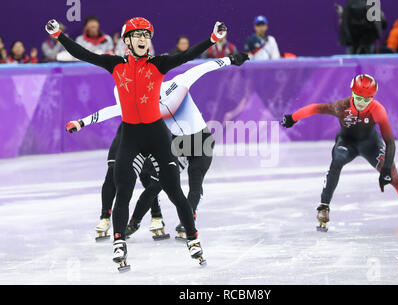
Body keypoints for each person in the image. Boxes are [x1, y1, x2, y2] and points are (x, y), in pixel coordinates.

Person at [46, 17, 227, 270]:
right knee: (124, 189)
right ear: (127, 41)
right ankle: (119, 242)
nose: (143, 40)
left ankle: (193, 239)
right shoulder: (115, 64)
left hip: (157, 136)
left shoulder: (159, 64)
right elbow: (82, 53)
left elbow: (186, 56)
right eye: (138, 36)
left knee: (174, 190)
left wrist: (212, 40)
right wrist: (59, 36)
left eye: (146, 36)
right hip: (130, 136)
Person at [65, 53, 249, 241]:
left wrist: (231, 60)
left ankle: (187, 222)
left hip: (201, 141)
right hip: (179, 144)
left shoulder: (178, 83)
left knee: (195, 183)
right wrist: (81, 122)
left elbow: (202, 68)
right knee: (156, 185)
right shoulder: (144, 102)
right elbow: (112, 110)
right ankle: (133, 223)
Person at [281, 74, 398, 231]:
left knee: (394, 177)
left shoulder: (378, 110)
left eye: (367, 99)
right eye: (359, 98)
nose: (362, 103)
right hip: (347, 143)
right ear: (352, 94)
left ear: (373, 98)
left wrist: (386, 169)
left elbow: (390, 142)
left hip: (371, 145)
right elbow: (316, 108)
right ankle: (324, 206)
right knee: (337, 162)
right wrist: (293, 118)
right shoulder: (341, 106)